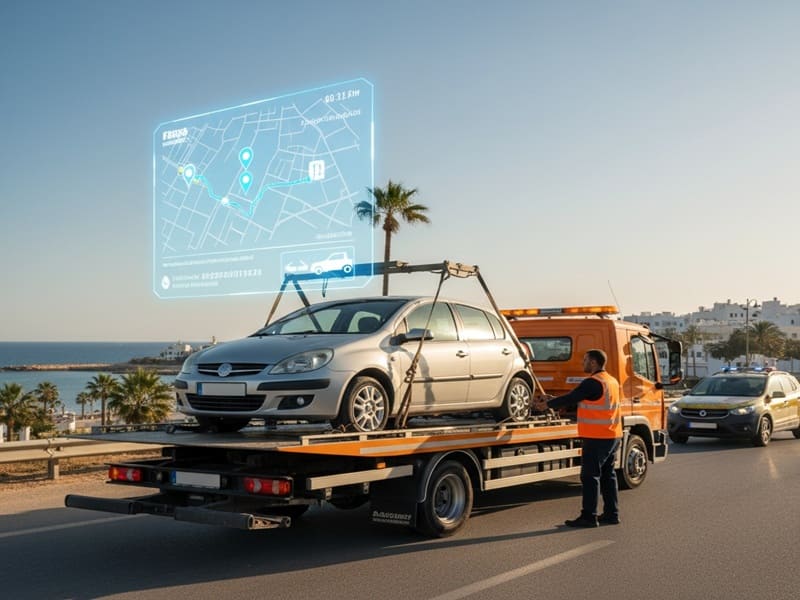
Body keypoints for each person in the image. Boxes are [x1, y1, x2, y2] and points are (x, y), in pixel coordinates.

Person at [533, 349, 622, 527]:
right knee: (607, 476)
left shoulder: (592, 382)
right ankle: (612, 514)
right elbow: (580, 399)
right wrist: (552, 399)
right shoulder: (610, 380)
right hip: (612, 435)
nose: (583, 363)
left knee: (590, 477)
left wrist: (547, 405)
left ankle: (588, 517)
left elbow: (573, 397)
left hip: (596, 437)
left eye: (585, 360)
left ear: (594, 363)